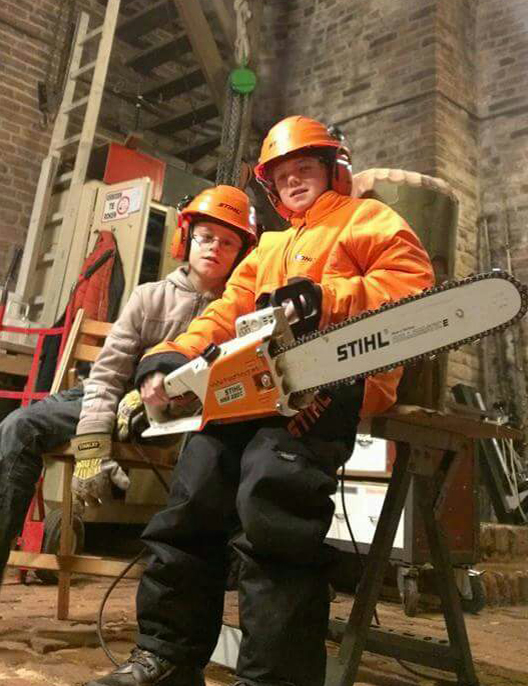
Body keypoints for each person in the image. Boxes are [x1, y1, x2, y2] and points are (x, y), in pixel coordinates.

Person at [88, 116, 435, 686]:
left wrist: (326, 298)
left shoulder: (367, 219)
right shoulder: (267, 247)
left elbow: (411, 286)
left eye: (305, 168)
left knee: (273, 506)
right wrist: (172, 356)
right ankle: (167, 655)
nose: (293, 180)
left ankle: (275, 677)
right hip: (249, 389)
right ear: (271, 187)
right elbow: (225, 313)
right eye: (282, 174)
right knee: (192, 499)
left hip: (328, 384)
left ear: (333, 170)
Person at [0, 185, 256, 588]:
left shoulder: (240, 313)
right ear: (186, 238)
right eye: (206, 237)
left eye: (228, 242)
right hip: (107, 398)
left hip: (179, 417)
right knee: (19, 426)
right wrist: (91, 447)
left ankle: (201, 573)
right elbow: (107, 375)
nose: (214, 248)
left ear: (243, 254)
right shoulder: (148, 297)